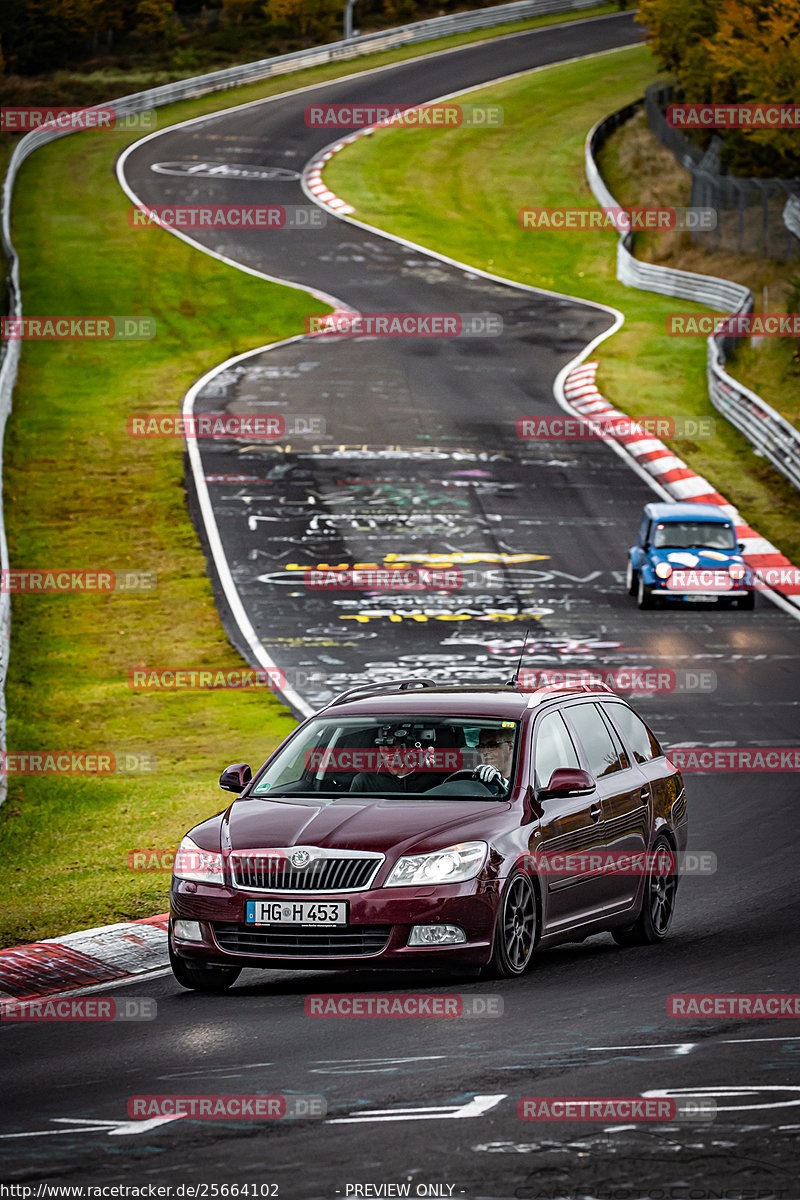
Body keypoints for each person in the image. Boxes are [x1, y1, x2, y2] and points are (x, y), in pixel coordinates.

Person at [349, 728, 440, 793]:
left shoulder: (432, 782)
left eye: (393, 744)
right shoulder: (364, 782)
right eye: (382, 744)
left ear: (409, 746)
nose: (387, 749)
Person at [473, 726, 514, 791]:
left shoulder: (524, 778)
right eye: (481, 747)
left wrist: (503, 783)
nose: (484, 752)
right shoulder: (475, 780)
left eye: (492, 745)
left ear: (510, 747)